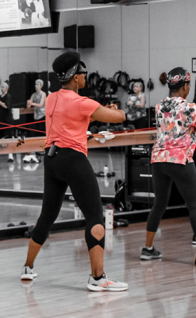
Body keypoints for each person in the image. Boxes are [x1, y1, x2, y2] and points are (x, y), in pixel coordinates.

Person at [20, 52, 129, 291]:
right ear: (74, 76)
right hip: (73, 160)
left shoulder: (51, 99)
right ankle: (98, 278)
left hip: (52, 160)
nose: (85, 77)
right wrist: (114, 108)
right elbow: (118, 116)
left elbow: (68, 119)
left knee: (47, 216)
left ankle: (27, 267)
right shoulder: (83, 103)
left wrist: (90, 116)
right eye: (83, 73)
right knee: (95, 217)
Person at [137, 69, 196, 264]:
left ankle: (148, 248)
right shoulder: (191, 108)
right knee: (195, 205)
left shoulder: (159, 106)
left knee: (159, 204)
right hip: (180, 159)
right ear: (185, 86)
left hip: (159, 160)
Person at [24, 79, 48, 163]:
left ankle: (44, 149)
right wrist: (28, 103)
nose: (36, 86)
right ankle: (36, 149)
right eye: (35, 84)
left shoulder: (43, 94)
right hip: (36, 116)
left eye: (37, 84)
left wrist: (32, 103)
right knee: (35, 133)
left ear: (41, 86)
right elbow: (28, 106)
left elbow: (41, 104)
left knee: (42, 133)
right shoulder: (33, 95)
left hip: (42, 116)